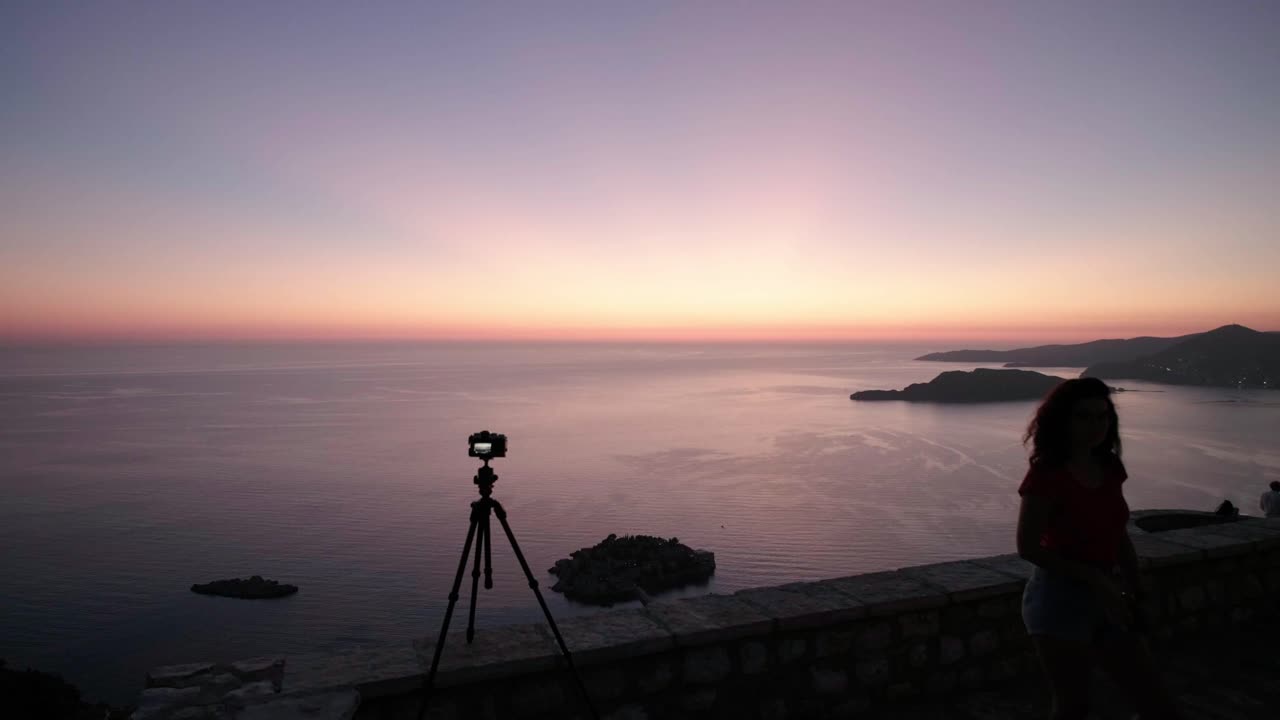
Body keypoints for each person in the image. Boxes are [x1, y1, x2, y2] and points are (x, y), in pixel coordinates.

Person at [1016, 378, 1181, 720]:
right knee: (1074, 705)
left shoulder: (1109, 468)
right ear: (1063, 420)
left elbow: (1117, 532)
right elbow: (1028, 547)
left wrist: (1135, 585)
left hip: (1108, 595)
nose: (1096, 426)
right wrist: (1095, 578)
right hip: (1058, 599)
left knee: (1153, 698)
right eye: (1084, 417)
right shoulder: (1047, 476)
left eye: (1102, 417)